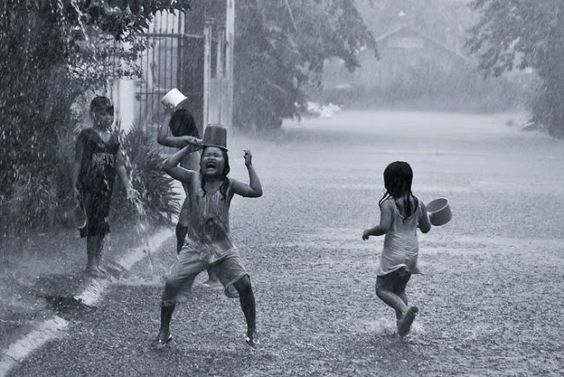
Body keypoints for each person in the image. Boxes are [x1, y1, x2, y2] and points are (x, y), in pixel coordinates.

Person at [155, 124, 262, 348]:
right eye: (207, 155)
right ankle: (164, 330)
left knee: (244, 284)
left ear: (224, 163)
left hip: (222, 247)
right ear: (201, 161)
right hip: (194, 245)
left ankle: (252, 330)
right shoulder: (193, 178)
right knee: (172, 283)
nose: (211, 158)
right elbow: (168, 166)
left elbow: (256, 191)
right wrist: (187, 149)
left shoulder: (228, 185)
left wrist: (250, 166)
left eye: (217, 155)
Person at [362, 161, 431, 336]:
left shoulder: (389, 204)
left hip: (394, 253)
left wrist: (369, 231)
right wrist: (425, 217)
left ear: (389, 183)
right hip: (411, 254)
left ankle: (404, 310)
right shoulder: (418, 203)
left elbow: (384, 227)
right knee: (399, 289)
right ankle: (402, 324)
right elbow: (426, 228)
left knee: (382, 289)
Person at [72, 96, 137, 277]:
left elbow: (120, 165)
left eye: (110, 113)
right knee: (93, 225)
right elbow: (77, 161)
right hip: (89, 187)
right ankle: (91, 265)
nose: (108, 117)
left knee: (102, 227)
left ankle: (96, 264)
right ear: (93, 115)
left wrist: (128, 186)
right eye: (103, 113)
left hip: (105, 190)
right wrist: (74, 186)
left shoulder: (114, 139)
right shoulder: (86, 136)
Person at [157, 106, 220, 287]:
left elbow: (161, 138)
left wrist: (167, 114)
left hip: (197, 194)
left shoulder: (186, 141)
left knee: (188, 232)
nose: (171, 127)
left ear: (179, 126)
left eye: (173, 123)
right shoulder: (194, 140)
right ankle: (190, 273)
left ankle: (185, 274)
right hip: (201, 192)